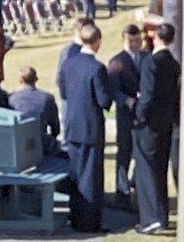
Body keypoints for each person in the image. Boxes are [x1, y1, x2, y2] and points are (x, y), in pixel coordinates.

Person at [59, 24, 112, 233]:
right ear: (98, 42)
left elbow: (63, 92)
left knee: (76, 173)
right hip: (90, 127)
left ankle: (75, 217)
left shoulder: (68, 64)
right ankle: (89, 223)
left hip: (73, 125)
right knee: (91, 175)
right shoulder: (97, 68)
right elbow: (103, 100)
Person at [133, 23, 181, 235]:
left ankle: (150, 219)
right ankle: (162, 216)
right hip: (166, 123)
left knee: (146, 171)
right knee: (160, 170)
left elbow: (148, 94)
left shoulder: (151, 62)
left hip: (150, 124)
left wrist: (139, 115)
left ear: (155, 37)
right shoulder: (173, 63)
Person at [107, 24, 147, 207]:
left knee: (144, 152)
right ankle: (122, 191)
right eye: (132, 41)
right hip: (126, 114)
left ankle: (137, 184)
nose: (136, 44)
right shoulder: (117, 62)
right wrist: (126, 100)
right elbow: (112, 89)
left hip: (145, 114)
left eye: (138, 40)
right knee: (124, 152)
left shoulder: (146, 58)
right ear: (124, 40)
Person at [9, 66, 60, 154]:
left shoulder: (12, 98)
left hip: (18, 143)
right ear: (36, 79)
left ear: (20, 80)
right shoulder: (47, 98)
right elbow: (55, 126)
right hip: (41, 143)